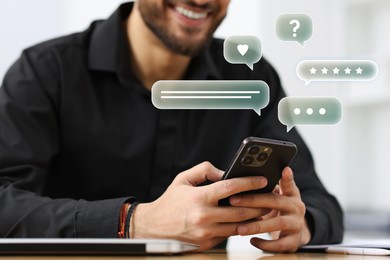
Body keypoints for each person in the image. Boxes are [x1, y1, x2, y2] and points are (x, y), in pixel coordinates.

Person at [0, 0, 343, 253]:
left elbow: (322, 206)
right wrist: (133, 222)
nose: (203, 2)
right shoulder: (44, 73)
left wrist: (301, 226)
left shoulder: (251, 78)